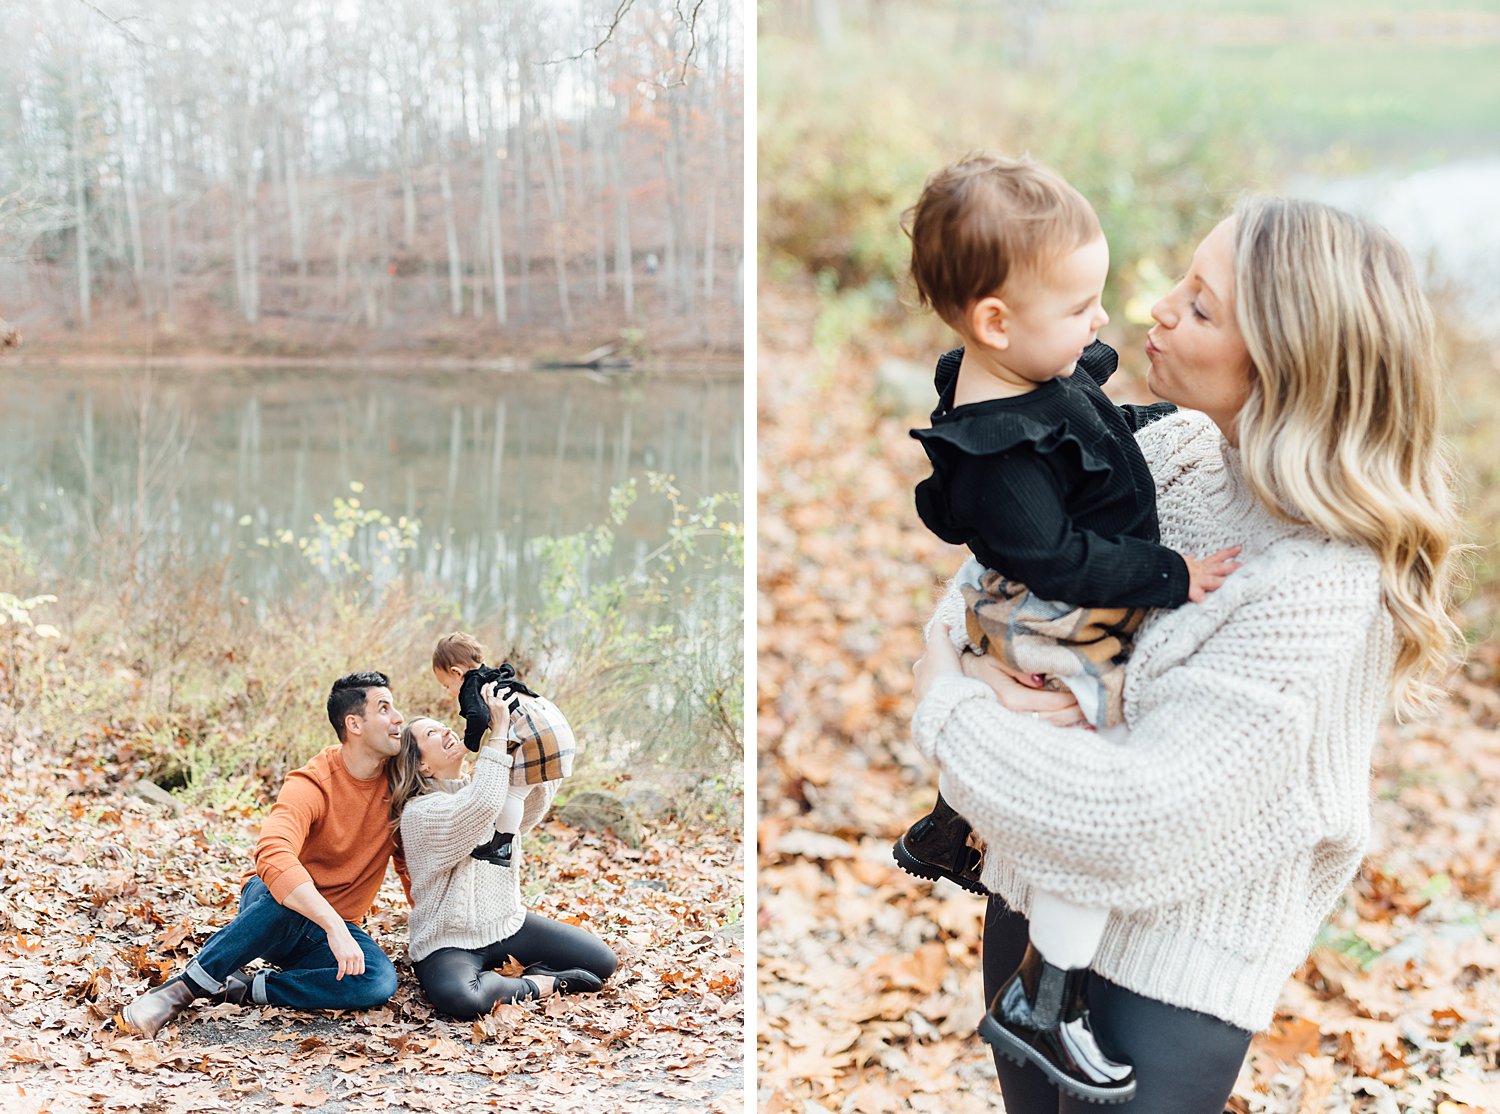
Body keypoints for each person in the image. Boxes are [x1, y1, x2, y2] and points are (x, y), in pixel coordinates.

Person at [910, 196, 1461, 1113]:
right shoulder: (1174, 447)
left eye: (1202, 306)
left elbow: (1134, 823)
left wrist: (950, 702)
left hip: (1165, 975)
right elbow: (988, 578)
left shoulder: (1322, 581)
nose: (1159, 308)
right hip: (1030, 899)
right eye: (1183, 281)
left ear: (1294, 362)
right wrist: (968, 667)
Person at [892, 152, 1241, 1103]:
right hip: (1054, 616)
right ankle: (1046, 998)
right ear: (996, 322)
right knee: (1086, 770)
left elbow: (1085, 434)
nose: (1104, 322)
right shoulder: (996, 447)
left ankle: (954, 835)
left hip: (1038, 605)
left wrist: (1152, 418)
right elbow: (1061, 560)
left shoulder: (1017, 373)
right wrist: (1172, 574)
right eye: (1081, 307)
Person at [117, 672, 412, 1039]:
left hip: (325, 932)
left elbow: (411, 868)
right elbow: (273, 853)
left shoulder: (397, 787)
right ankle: (182, 990)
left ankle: (245, 988)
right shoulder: (313, 781)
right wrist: (333, 925)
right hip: (273, 908)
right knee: (284, 899)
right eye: (385, 708)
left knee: (378, 981)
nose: (399, 717)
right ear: (354, 724)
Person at [388, 686, 615, 1020]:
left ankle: (509, 976)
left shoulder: (485, 785)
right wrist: (498, 735)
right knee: (462, 998)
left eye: (444, 724)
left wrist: (527, 717)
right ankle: (540, 985)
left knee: (602, 962)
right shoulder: (420, 813)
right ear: (421, 765)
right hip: (448, 940)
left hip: (505, 925)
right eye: (431, 733)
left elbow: (532, 805)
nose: (447, 731)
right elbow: (481, 806)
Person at [430, 632, 575, 869]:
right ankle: (502, 840)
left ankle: (501, 845)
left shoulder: (471, 686)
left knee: (514, 794)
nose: (449, 691)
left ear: (457, 672)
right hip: (555, 723)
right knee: (514, 788)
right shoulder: (493, 677)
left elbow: (479, 717)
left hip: (538, 732)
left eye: (447, 685)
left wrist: (466, 746)